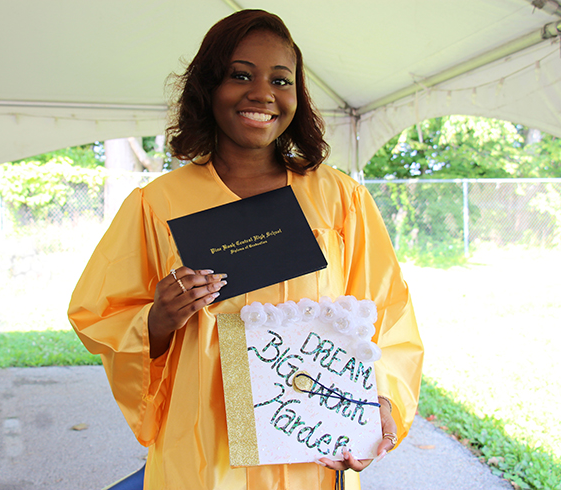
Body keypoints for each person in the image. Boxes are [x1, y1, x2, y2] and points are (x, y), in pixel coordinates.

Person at [68, 9, 423, 490]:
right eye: (241, 75)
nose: (263, 93)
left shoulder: (339, 200)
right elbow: (99, 314)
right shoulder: (159, 205)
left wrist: (379, 405)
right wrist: (157, 319)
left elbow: (389, 314)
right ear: (209, 86)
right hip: (202, 456)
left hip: (311, 449)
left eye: (282, 80)